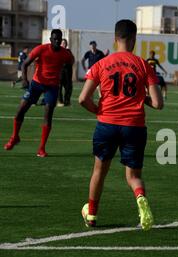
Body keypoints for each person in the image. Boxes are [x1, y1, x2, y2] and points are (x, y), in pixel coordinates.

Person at [78, 19, 164, 230]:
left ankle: (92, 214)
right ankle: (140, 197)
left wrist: (98, 110)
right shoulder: (143, 64)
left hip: (107, 124)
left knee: (99, 171)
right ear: (134, 39)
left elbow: (82, 99)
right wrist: (140, 98)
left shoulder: (101, 63)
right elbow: (158, 103)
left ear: (115, 39)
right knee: (133, 176)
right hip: (134, 126)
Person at [3, 29, 74, 157]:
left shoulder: (66, 54)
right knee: (21, 110)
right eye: (55, 39)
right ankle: (14, 137)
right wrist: (25, 80)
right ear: (51, 40)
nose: (57, 41)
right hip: (36, 84)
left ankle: (41, 148)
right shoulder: (41, 49)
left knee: (48, 114)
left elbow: (70, 65)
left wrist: (68, 82)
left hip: (52, 87)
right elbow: (25, 64)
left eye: (59, 39)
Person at [57, 39, 73, 106]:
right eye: (63, 43)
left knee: (68, 87)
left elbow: (72, 60)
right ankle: (60, 102)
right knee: (59, 87)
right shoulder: (58, 51)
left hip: (68, 72)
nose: (64, 44)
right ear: (61, 44)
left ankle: (67, 101)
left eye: (65, 43)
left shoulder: (68, 51)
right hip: (60, 72)